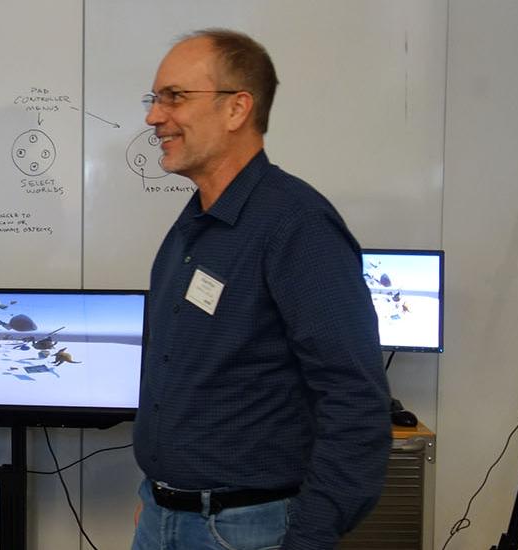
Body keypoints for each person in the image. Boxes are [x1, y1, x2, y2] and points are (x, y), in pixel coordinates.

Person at [133, 30, 391, 550]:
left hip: (241, 530)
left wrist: (312, 536)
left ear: (237, 109)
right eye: (154, 99)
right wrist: (159, 498)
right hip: (165, 519)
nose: (153, 117)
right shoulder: (193, 227)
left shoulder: (298, 226)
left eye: (174, 97)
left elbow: (355, 401)